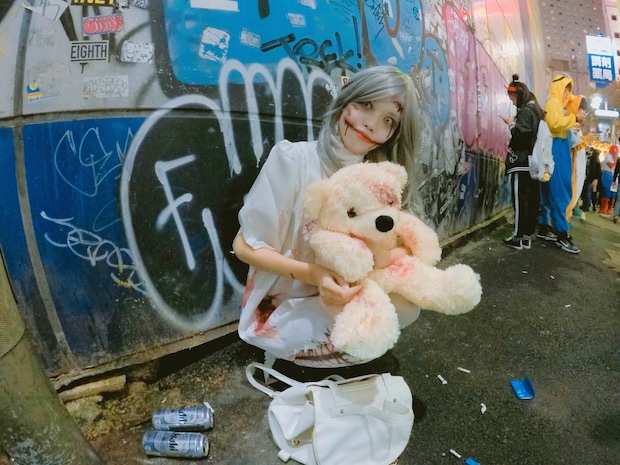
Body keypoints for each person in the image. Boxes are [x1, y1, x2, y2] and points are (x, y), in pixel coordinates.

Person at [233, 66, 425, 368]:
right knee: (373, 331)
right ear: (349, 97)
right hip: (283, 308)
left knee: (406, 304)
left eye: (389, 120)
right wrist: (316, 275)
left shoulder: (375, 179)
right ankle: (295, 356)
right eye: (366, 105)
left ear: (393, 134)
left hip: (339, 299)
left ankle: (332, 356)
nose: (371, 125)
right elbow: (244, 246)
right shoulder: (293, 160)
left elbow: (396, 250)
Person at [538, 74, 585, 254]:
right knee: (560, 193)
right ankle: (562, 235)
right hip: (557, 154)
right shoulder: (554, 103)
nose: (566, 94)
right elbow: (555, 123)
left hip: (554, 151)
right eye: (564, 89)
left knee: (549, 193)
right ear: (557, 88)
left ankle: (544, 227)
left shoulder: (554, 103)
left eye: (568, 91)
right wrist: (574, 119)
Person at [500, 74, 543, 250]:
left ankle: (517, 237)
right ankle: (525, 237)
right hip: (531, 163)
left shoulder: (526, 112)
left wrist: (511, 125)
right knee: (530, 200)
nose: (512, 102)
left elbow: (522, 135)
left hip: (521, 161)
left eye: (512, 98)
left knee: (520, 200)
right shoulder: (536, 111)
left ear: (519, 95)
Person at [565, 95, 589, 220]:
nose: (584, 114)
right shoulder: (570, 125)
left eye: (585, 112)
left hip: (576, 171)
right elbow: (572, 145)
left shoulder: (575, 127)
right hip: (570, 170)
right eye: (582, 111)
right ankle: (561, 227)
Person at [598, 144, 618, 218]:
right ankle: (602, 210)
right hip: (606, 173)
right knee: (606, 192)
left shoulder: (611, 157)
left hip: (610, 175)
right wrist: (615, 160)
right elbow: (611, 165)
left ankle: (605, 210)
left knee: (609, 193)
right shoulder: (608, 156)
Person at [582, 148, 601, 213]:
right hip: (586, 177)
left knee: (588, 193)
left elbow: (598, 170)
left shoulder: (595, 160)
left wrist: (596, 179)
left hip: (590, 178)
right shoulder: (588, 157)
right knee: (586, 193)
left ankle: (586, 207)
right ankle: (587, 206)